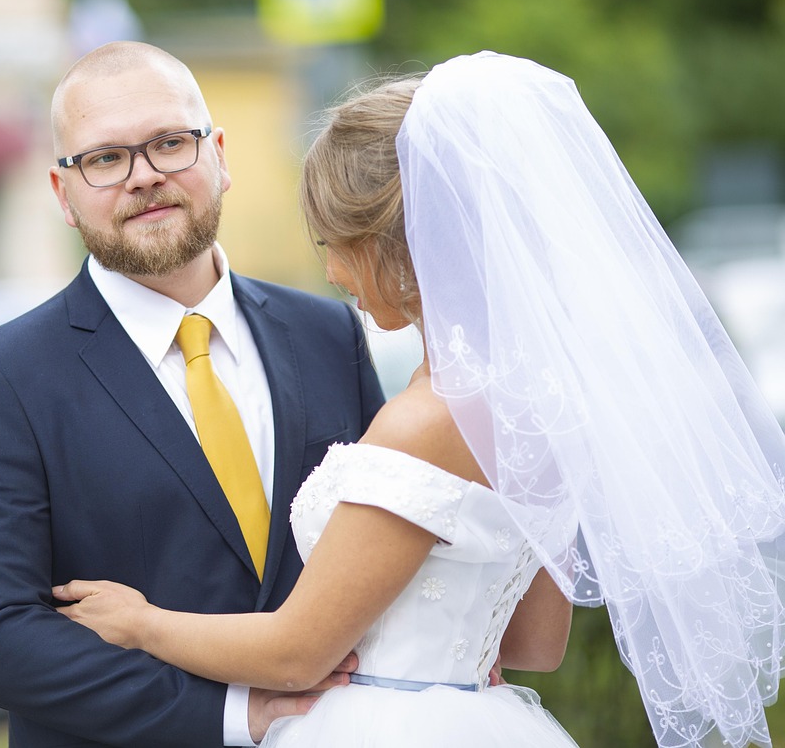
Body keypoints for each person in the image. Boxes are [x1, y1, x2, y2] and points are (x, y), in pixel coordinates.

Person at [54, 51, 785, 748]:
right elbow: (537, 643)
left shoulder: (426, 418)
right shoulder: (533, 405)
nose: (334, 270)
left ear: (394, 241)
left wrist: (142, 621)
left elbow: (296, 653)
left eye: (332, 242)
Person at [0, 40, 387, 747]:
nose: (144, 176)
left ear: (221, 156)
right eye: (105, 158)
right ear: (63, 194)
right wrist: (235, 714)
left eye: (170, 142)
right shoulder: (0, 382)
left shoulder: (326, 333)